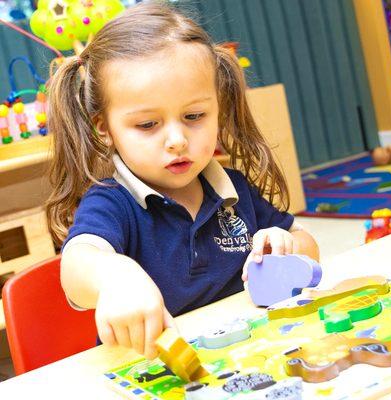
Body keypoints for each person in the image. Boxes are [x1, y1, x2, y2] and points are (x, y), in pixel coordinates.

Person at [46, 1, 319, 360]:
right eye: (147, 125)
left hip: (246, 356)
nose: (177, 140)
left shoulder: (233, 189)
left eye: (194, 116)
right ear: (105, 128)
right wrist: (116, 276)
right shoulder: (111, 201)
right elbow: (77, 265)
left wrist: (286, 246)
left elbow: (310, 248)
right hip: (156, 367)